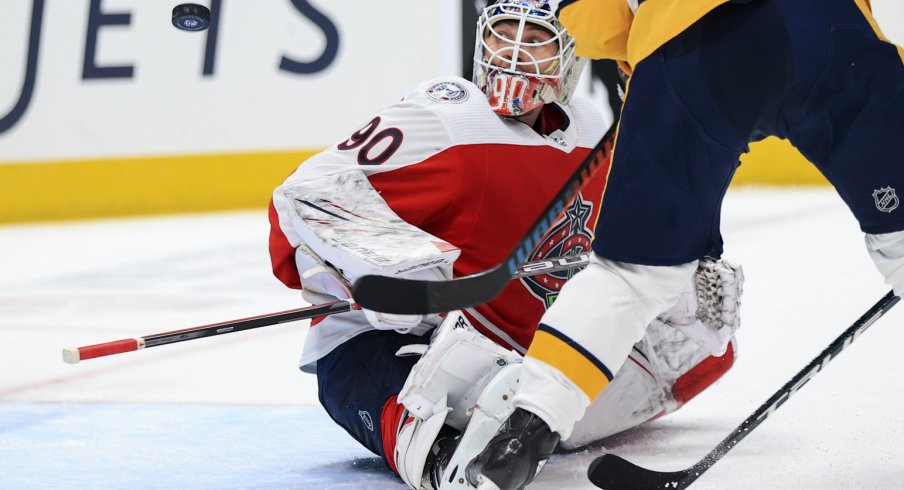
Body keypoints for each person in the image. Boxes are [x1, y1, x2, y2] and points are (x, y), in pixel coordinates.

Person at [268, 1, 742, 488]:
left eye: (534, 39)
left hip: (509, 354)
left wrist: (677, 277)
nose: (514, 54)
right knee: (455, 425)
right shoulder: (448, 118)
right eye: (502, 35)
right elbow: (308, 194)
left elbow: (627, 245)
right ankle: (444, 459)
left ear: (567, 54)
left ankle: (525, 413)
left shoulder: (593, 129)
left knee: (689, 354)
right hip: (389, 347)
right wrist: (389, 264)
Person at [463, 1, 904, 489]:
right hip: (825, 28)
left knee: (629, 277)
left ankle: (522, 436)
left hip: (690, 44)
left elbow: (590, 16)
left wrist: (640, 61)